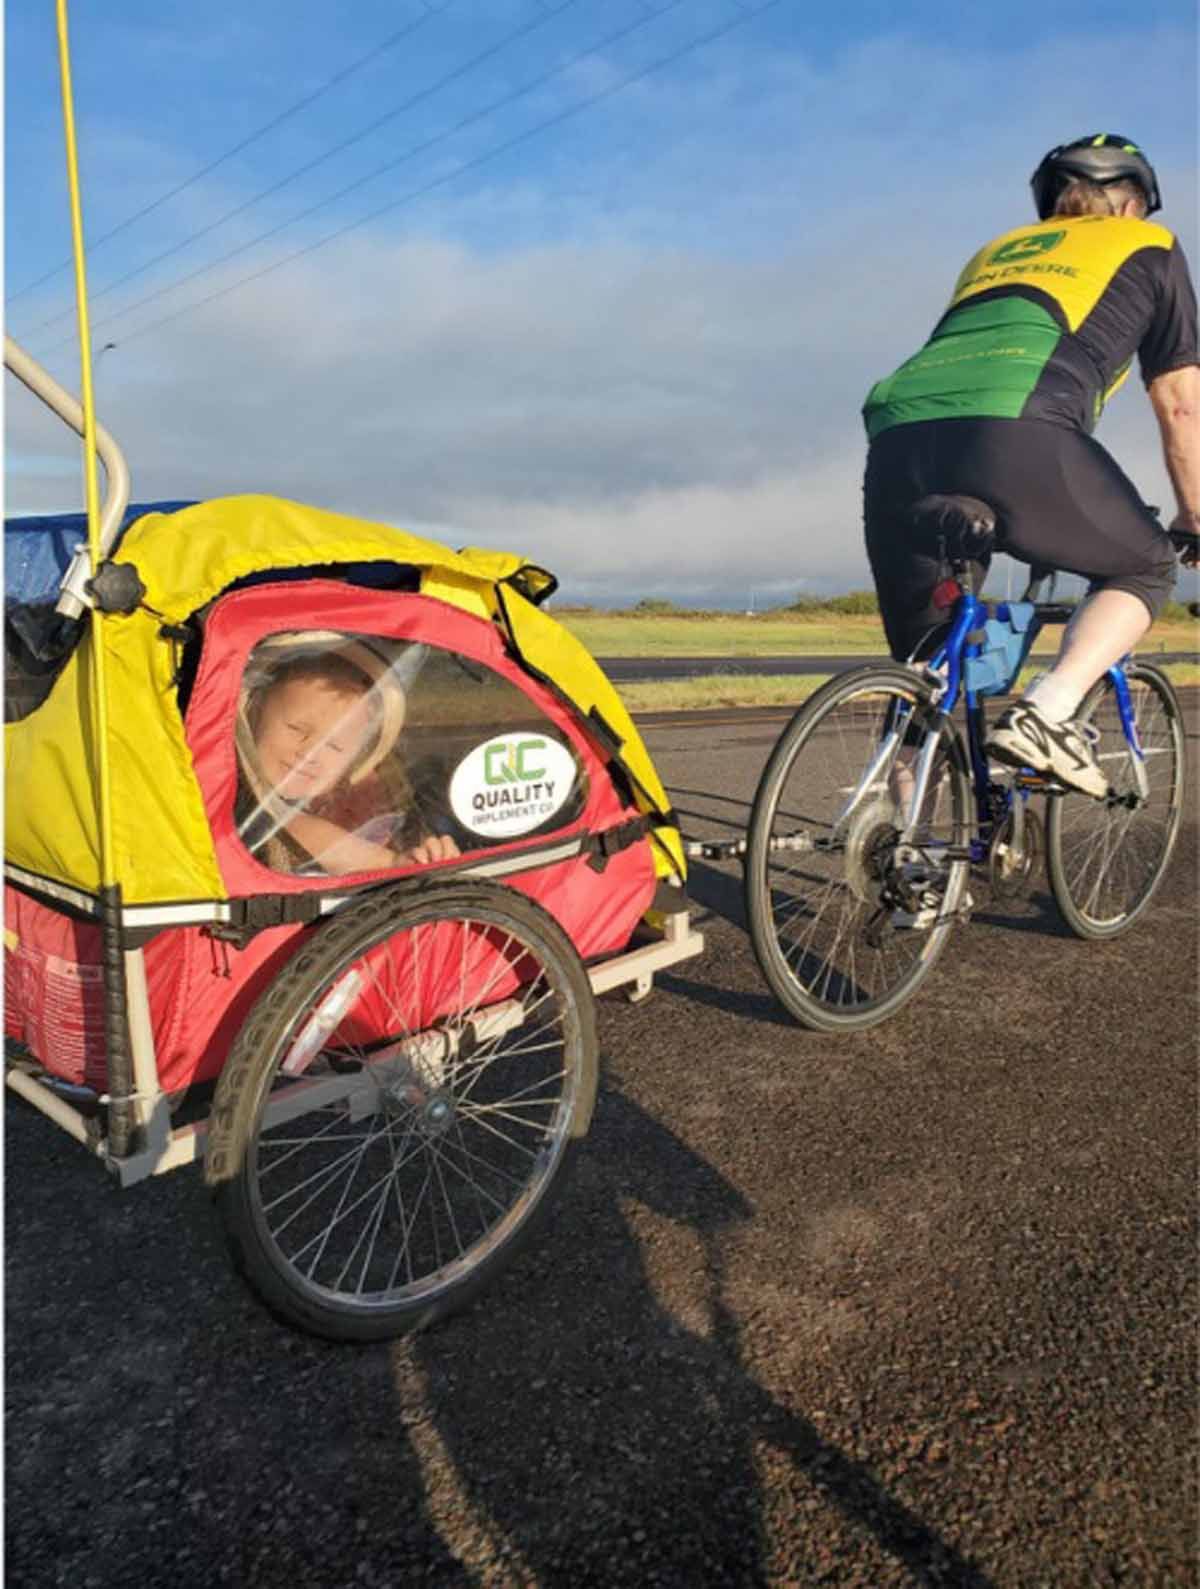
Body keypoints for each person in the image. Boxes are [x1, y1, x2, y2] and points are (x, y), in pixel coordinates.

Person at [862, 133, 1200, 798]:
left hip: (898, 435)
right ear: (1133, 206)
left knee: (923, 673)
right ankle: (1049, 711)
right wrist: (1194, 516)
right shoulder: (1150, 248)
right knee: (1145, 562)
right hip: (1016, 427)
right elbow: (1182, 405)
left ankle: (908, 866)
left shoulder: (995, 252)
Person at [235, 635, 459, 875]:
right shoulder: (232, 793)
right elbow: (300, 830)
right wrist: (392, 863)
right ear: (253, 713)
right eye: (296, 728)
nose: (310, 753)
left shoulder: (331, 807)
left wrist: (410, 862)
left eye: (334, 747)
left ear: (352, 763)